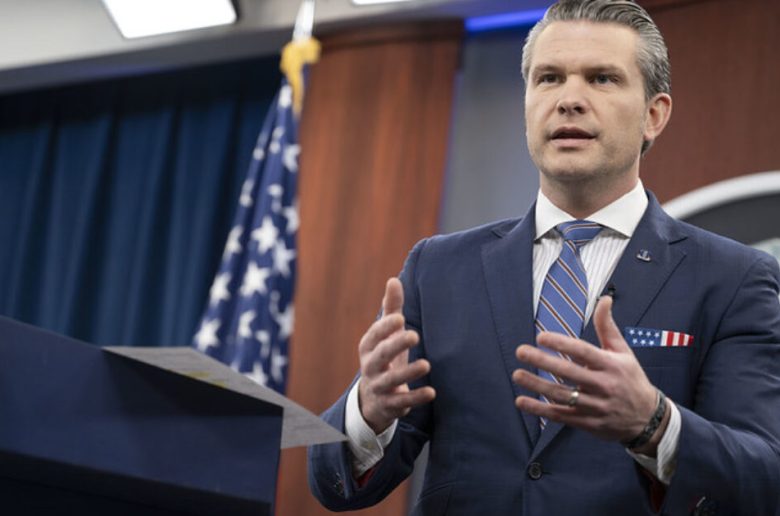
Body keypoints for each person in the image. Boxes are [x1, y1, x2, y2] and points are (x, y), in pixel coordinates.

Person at [308, 1, 780, 514]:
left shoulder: (734, 279)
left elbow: (764, 476)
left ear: (654, 115)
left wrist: (654, 424)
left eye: (601, 78)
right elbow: (335, 484)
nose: (569, 100)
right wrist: (369, 411)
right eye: (549, 78)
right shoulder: (438, 270)